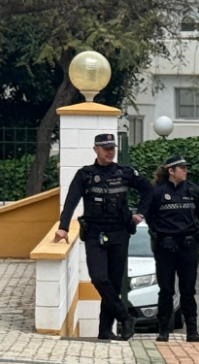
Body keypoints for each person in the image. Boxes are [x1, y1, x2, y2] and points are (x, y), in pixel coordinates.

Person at [54, 133, 151, 341]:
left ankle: (105, 331)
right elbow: (71, 201)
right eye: (105, 148)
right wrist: (63, 227)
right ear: (96, 149)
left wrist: (140, 213)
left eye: (112, 148)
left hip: (119, 232)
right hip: (95, 233)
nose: (110, 151)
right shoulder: (85, 175)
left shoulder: (124, 173)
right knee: (98, 278)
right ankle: (125, 317)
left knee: (114, 283)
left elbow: (148, 190)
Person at [146, 155, 199, 343]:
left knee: (188, 289)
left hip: (187, 245)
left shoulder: (193, 190)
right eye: (182, 168)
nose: (185, 170)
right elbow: (150, 217)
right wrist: (163, 235)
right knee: (166, 290)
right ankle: (163, 331)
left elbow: (198, 214)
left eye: (185, 167)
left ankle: (192, 331)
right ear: (171, 171)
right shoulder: (157, 192)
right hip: (166, 246)